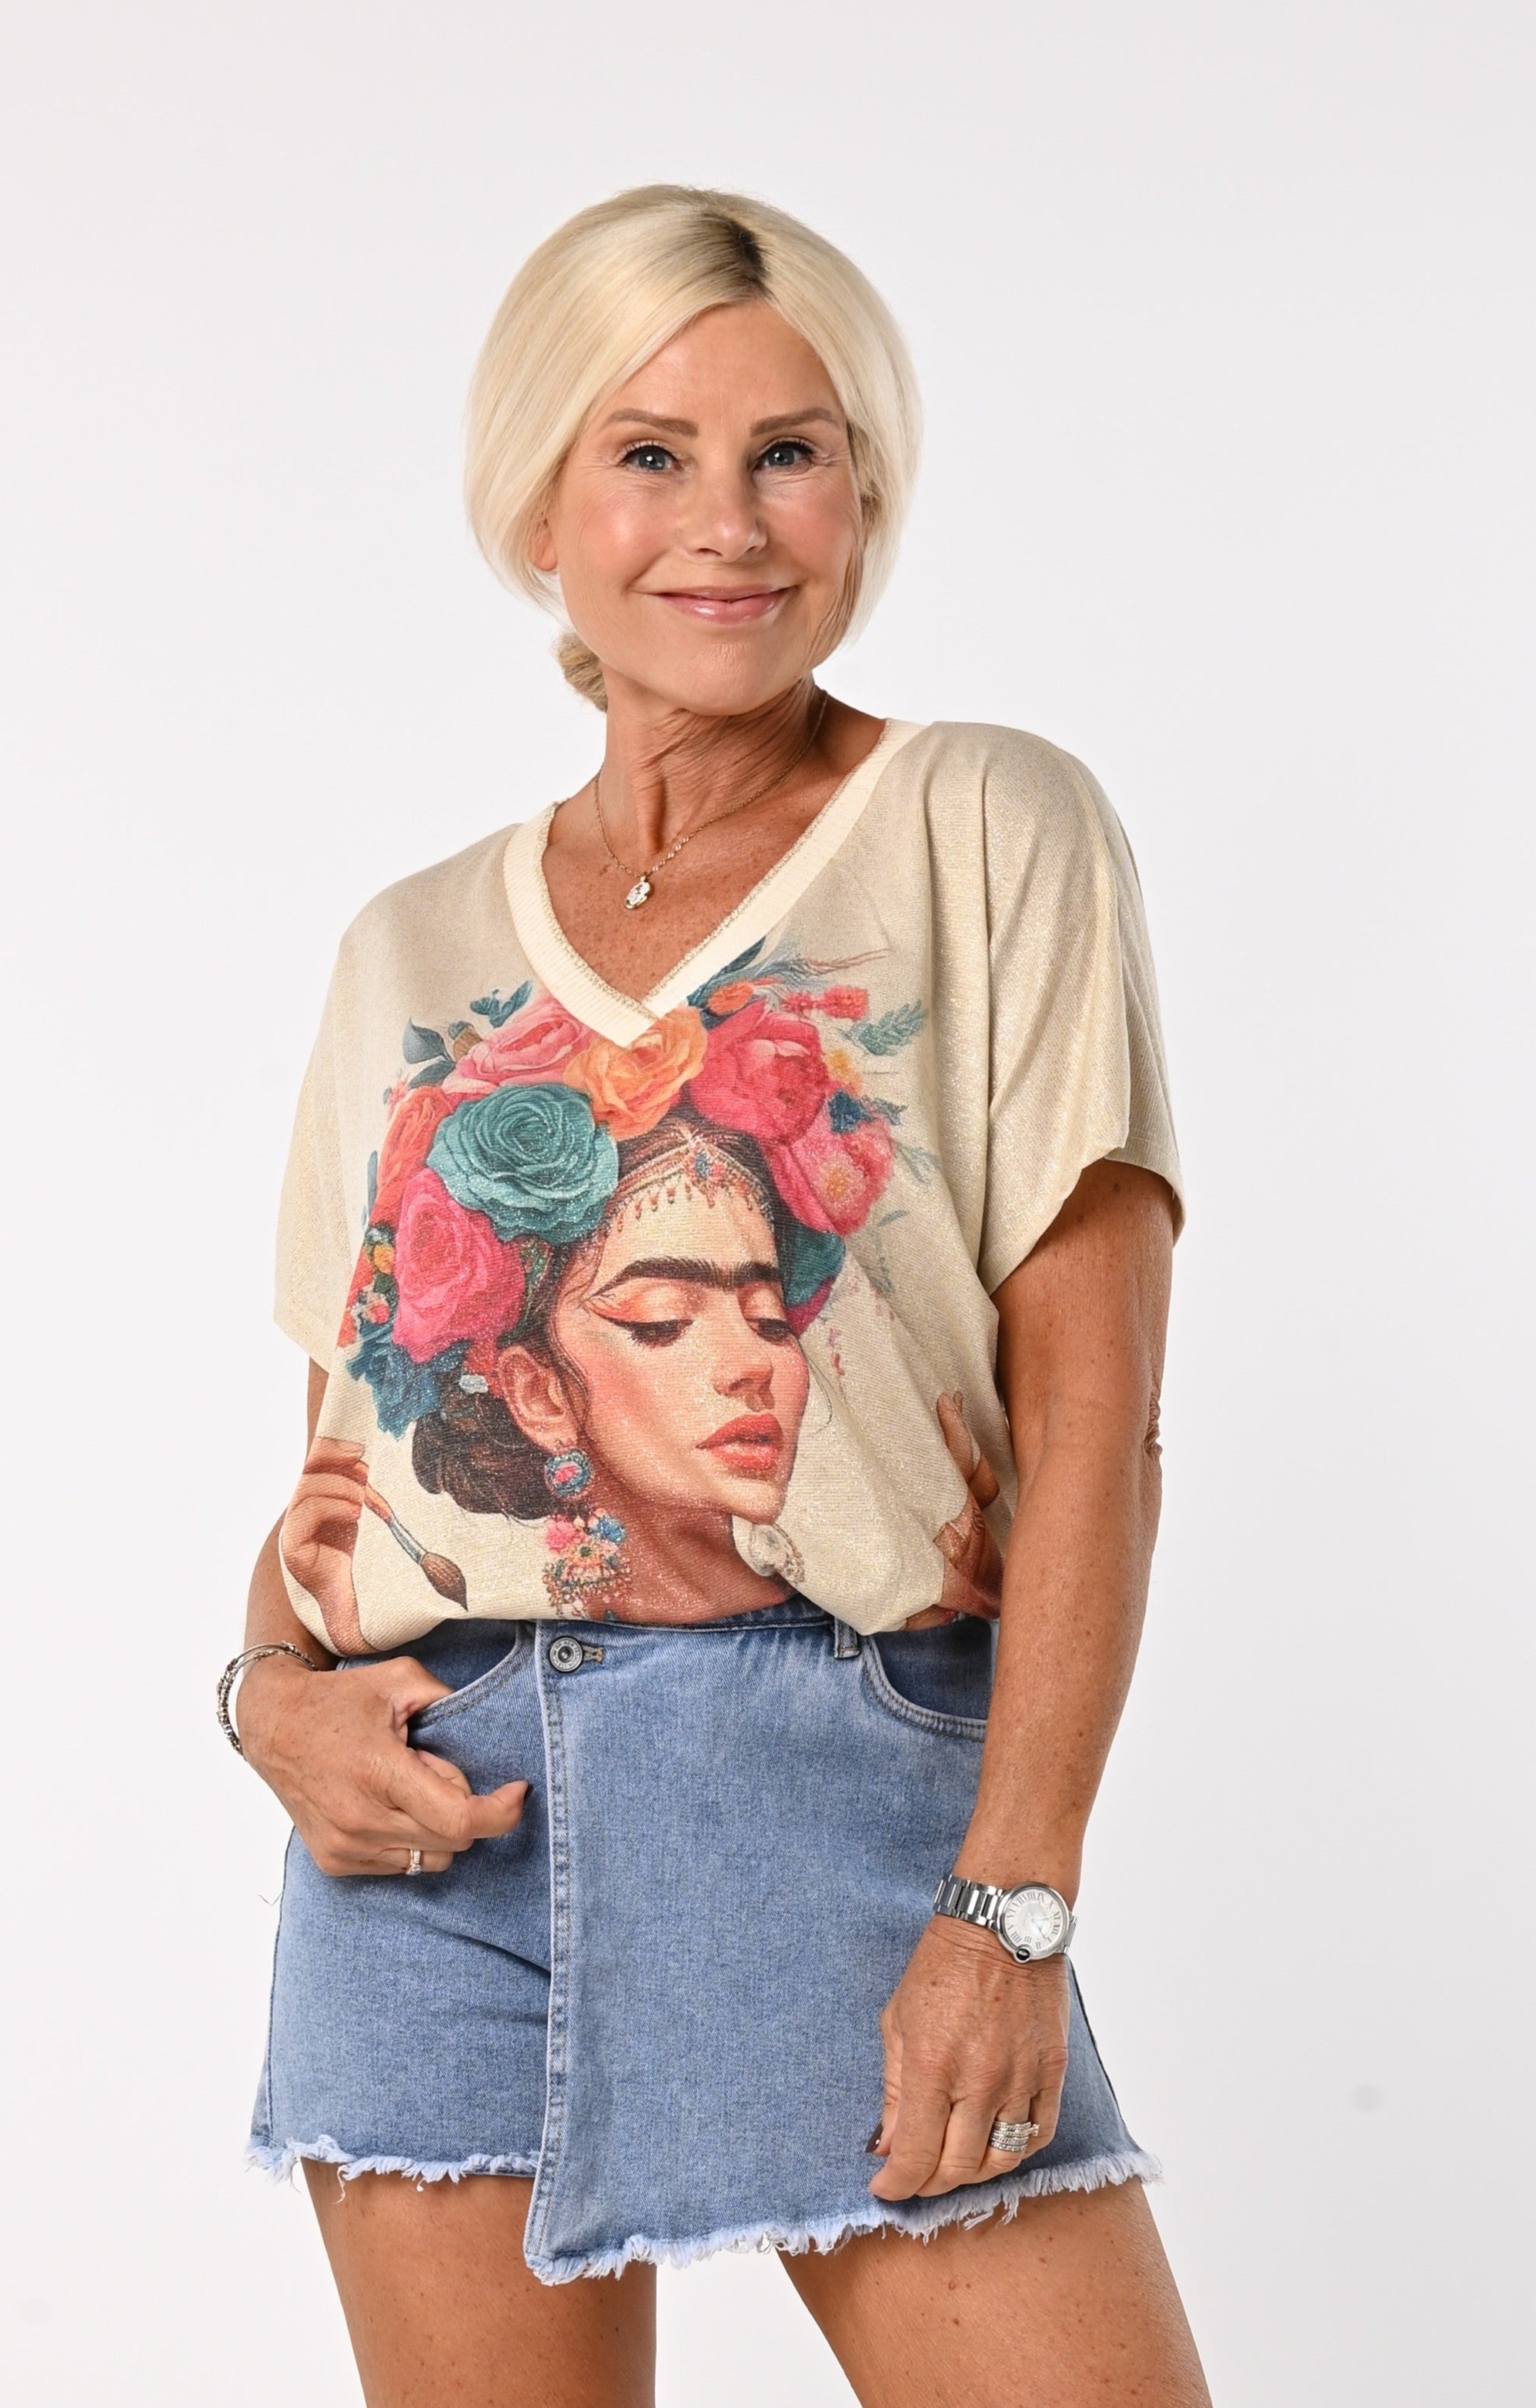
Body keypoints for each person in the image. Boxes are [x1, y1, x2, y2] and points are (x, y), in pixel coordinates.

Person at [220, 185, 1210, 2406]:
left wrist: (1014, 1900)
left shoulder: (988, 822)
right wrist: (263, 1697)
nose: (731, 523)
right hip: (427, 1838)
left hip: (837, 1788)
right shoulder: (409, 947)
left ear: (866, 491)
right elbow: (342, 1470)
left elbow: (1098, 1423)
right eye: (651, 454)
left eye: (795, 452)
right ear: (539, 508)